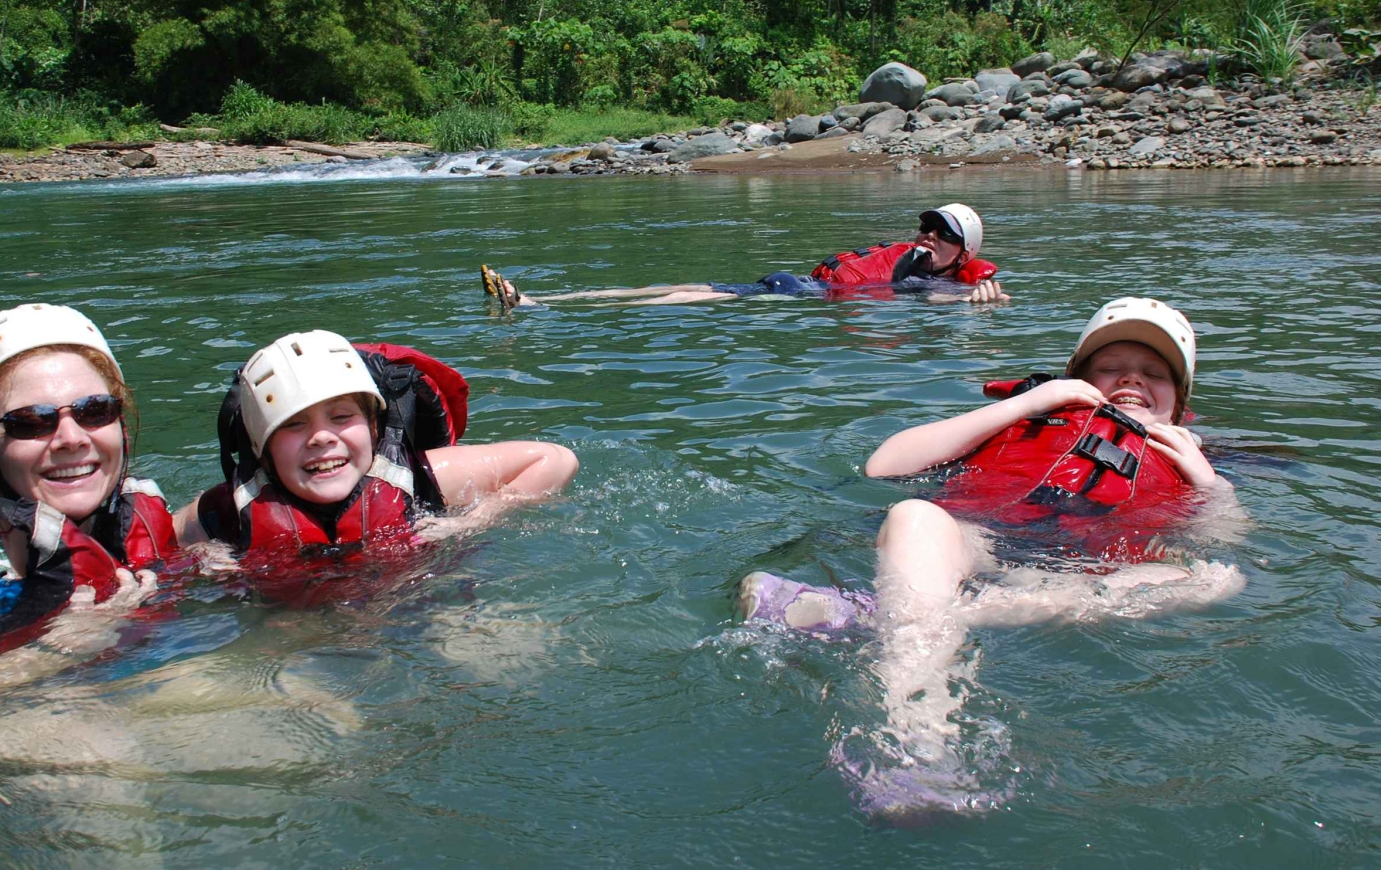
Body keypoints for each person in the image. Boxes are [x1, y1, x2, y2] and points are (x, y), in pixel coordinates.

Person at [735, 297, 1246, 817]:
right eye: (1110, 370)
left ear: (1179, 405)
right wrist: (1026, 405)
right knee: (916, 515)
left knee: (1215, 580)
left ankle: (872, 614)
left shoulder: (1197, 461)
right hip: (977, 539)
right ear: (1076, 380)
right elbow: (882, 466)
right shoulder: (1024, 418)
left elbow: (1226, 542)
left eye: (1152, 374)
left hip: (1088, 570)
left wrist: (1210, 482)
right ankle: (915, 745)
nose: (1131, 381)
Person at [0, 303, 180, 710]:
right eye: (31, 422)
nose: (71, 438)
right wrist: (55, 649)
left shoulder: (121, 516)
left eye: (95, 411)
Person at [173, 330, 578, 584]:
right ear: (262, 449)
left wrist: (472, 521)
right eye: (293, 425)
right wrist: (203, 554)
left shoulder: (423, 477)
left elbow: (557, 460)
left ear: (374, 428)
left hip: (420, 606)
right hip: (298, 632)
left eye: (341, 417)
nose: (320, 438)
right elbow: (162, 543)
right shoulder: (221, 514)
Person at [480, 204, 1009, 307]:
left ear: (965, 249)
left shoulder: (940, 280)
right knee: (688, 295)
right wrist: (980, 303)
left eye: (943, 234)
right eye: (929, 228)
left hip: (797, 284)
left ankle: (541, 299)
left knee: (695, 290)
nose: (930, 237)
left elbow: (969, 295)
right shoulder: (932, 281)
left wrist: (984, 298)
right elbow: (950, 300)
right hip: (804, 289)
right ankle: (546, 303)